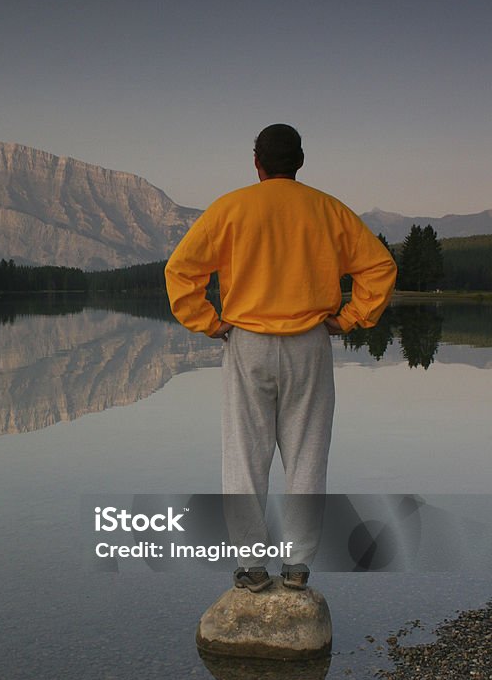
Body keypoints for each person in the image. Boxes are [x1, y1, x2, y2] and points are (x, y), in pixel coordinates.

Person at [164, 124, 397, 591]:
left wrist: (210, 321)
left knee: (244, 455)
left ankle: (251, 567)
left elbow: (180, 271)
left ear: (257, 162)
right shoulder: (328, 209)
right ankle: (296, 566)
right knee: (307, 453)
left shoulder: (230, 208)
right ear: (301, 161)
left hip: (247, 340)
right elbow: (380, 267)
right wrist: (349, 317)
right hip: (309, 342)